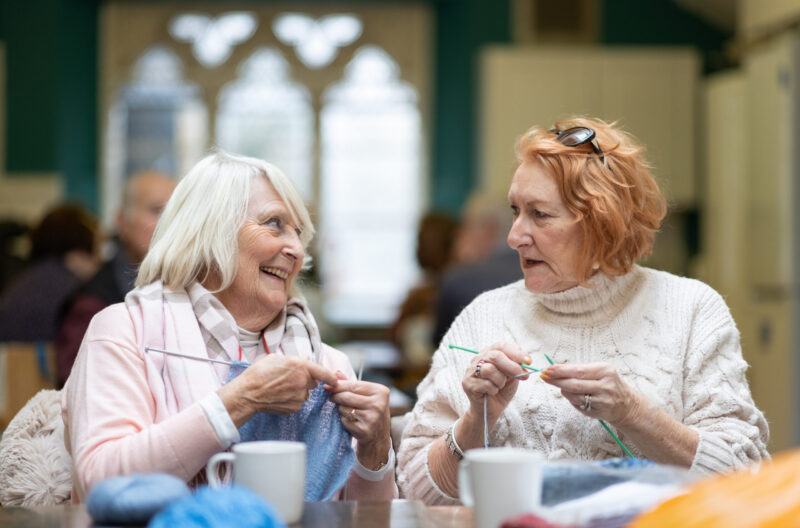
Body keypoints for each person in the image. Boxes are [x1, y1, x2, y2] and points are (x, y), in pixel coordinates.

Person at [396, 117, 769, 504]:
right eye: (515, 211)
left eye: (539, 214)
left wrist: (633, 413)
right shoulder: (482, 318)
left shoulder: (692, 310)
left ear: (601, 222)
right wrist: (476, 421)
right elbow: (415, 490)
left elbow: (744, 479)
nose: (514, 237)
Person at [62, 151, 396, 502]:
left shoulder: (327, 366)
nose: (297, 249)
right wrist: (240, 399)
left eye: (298, 233)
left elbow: (363, 518)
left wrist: (376, 453)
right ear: (208, 231)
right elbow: (98, 484)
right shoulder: (124, 332)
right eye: (274, 224)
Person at [55, 170, 175, 387]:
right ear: (121, 221)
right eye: (157, 210)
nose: (170, 222)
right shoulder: (92, 302)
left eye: (178, 212)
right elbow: (83, 387)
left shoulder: (191, 289)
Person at [433, 191, 523, 345]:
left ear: (488, 229)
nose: (460, 236)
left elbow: (439, 344)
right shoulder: (543, 273)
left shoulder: (459, 279)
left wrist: (463, 266)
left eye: (466, 227)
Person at [0, 204, 99, 341]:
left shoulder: (23, 281)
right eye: (96, 250)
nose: (98, 262)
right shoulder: (74, 291)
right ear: (77, 253)